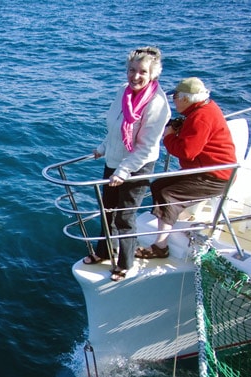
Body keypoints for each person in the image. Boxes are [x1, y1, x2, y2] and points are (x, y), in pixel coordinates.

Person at [83, 46, 171, 281]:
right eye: (132, 70)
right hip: (114, 162)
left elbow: (146, 147)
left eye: (142, 71)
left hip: (137, 167)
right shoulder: (123, 92)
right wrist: (102, 148)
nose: (135, 76)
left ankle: (126, 264)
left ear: (153, 73)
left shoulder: (157, 104)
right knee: (107, 211)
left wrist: (123, 171)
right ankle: (104, 252)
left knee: (124, 217)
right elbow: (115, 128)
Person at [135, 77, 237, 259]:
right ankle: (169, 220)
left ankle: (160, 247)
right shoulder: (205, 109)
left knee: (168, 194)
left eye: (175, 97)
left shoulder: (200, 117)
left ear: (185, 99)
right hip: (212, 171)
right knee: (158, 185)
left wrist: (169, 136)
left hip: (215, 177)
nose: (174, 101)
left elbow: (187, 152)